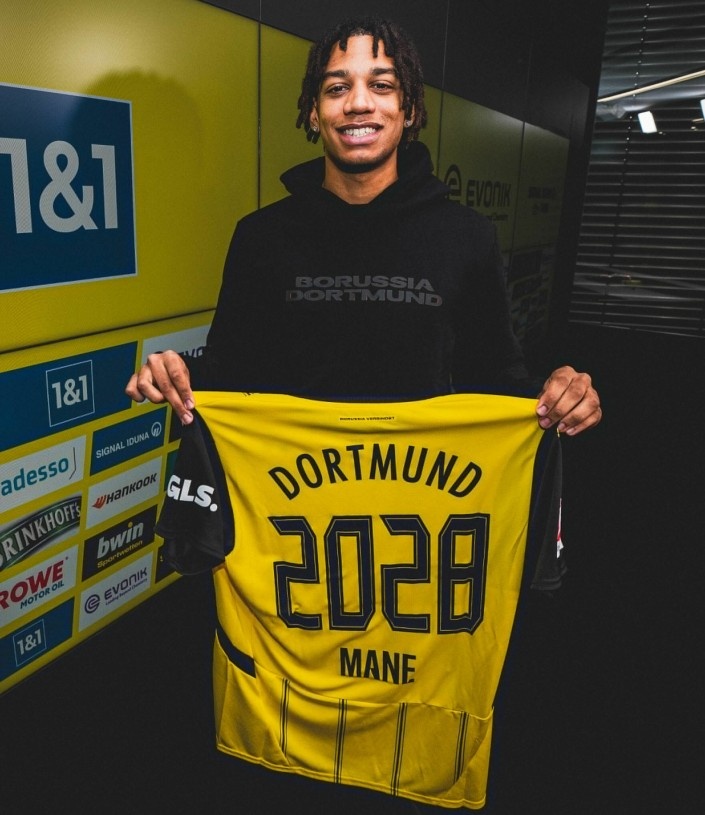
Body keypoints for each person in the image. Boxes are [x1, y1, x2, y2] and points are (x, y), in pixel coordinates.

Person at [126, 17, 601, 812]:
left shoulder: (464, 237)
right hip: (296, 550)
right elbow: (230, 376)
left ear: (409, 110)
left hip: (413, 555)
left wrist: (558, 394)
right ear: (311, 110)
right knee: (282, 770)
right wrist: (179, 374)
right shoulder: (262, 238)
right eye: (336, 86)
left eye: (381, 85)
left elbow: (501, 384)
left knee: (400, 758)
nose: (358, 103)